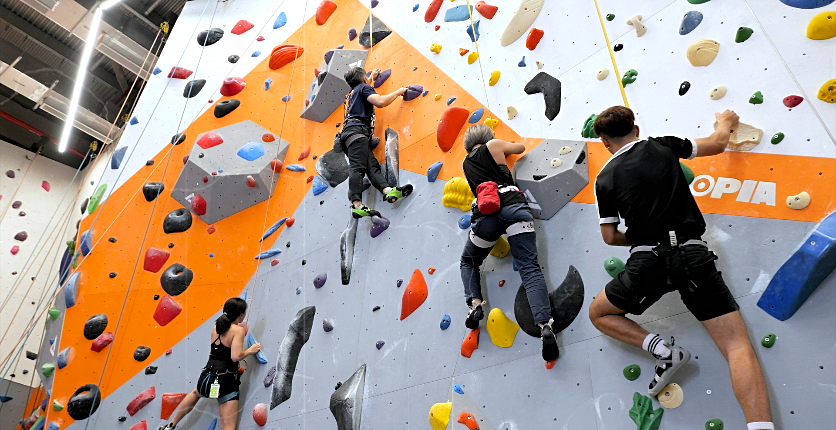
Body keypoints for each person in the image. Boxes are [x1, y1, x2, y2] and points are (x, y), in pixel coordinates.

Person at [587, 106, 774, 430]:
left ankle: (662, 350)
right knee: (736, 346)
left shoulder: (604, 179)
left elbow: (609, 236)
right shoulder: (663, 145)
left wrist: (647, 234)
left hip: (647, 262)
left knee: (598, 314)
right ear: (636, 129)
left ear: (604, 141)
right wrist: (726, 122)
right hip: (691, 254)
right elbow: (717, 143)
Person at [458, 124, 559, 361]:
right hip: (514, 209)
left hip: (486, 219)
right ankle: (545, 325)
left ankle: (474, 305)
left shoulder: (465, 164)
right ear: (487, 138)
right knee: (529, 268)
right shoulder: (493, 146)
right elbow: (520, 147)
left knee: (468, 261)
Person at [159, 298, 261, 430]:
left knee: (196, 393)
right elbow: (235, 357)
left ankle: (170, 425)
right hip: (225, 381)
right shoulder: (237, 330)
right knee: (228, 426)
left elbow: (221, 353)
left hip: (207, 376)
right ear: (240, 315)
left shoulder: (216, 328)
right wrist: (249, 351)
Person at [340, 67, 413, 219]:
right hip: (357, 133)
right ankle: (357, 204)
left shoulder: (352, 94)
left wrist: (371, 76)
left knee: (371, 166)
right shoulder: (364, 88)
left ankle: (387, 191)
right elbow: (379, 101)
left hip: (352, 135)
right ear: (364, 80)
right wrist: (399, 92)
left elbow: (364, 87)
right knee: (357, 167)